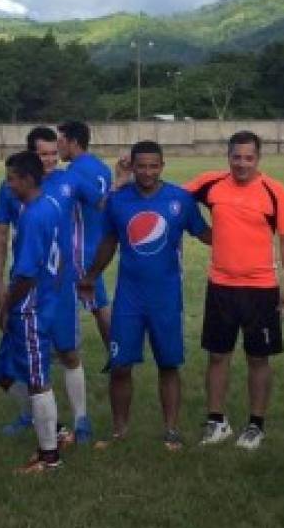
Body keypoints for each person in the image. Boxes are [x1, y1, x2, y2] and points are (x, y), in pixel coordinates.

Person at [80, 140, 211, 448]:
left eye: (154, 166)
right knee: (120, 365)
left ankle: (171, 430)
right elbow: (109, 242)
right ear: (133, 166)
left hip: (165, 296)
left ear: (162, 166)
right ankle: (119, 430)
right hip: (129, 298)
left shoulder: (180, 199)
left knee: (168, 364)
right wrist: (91, 276)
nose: (148, 172)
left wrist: (243, 238)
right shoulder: (119, 201)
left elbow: (205, 234)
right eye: (142, 166)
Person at [186, 131, 284, 450]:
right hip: (220, 285)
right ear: (228, 157)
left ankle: (255, 425)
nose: (242, 164)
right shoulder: (211, 184)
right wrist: (201, 231)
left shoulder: (275, 192)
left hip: (261, 289)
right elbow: (173, 200)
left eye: (249, 158)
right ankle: (216, 421)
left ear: (258, 159)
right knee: (218, 355)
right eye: (236, 157)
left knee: (258, 358)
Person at [0, 127, 93, 442]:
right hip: (24, 284)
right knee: (10, 362)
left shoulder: (69, 182)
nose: (50, 160)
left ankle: (81, 421)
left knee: (68, 352)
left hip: (57, 286)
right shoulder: (10, 189)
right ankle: (35, 416)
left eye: (53, 153)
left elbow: (104, 202)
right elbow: (0, 235)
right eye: (43, 154)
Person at [0, 151, 67, 475]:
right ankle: (52, 430)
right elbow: (62, 255)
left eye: (12, 177)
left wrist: (8, 305)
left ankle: (49, 455)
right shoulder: (52, 205)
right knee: (3, 369)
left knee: (38, 381)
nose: (8, 183)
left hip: (31, 310)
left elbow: (25, 273)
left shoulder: (33, 215)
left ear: (27, 179)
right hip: (44, 302)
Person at [57, 120, 114, 351]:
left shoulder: (75, 171)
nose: (58, 146)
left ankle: (117, 354)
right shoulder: (102, 167)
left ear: (73, 142)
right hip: (98, 243)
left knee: (98, 305)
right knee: (95, 303)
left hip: (80, 248)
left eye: (60, 141)